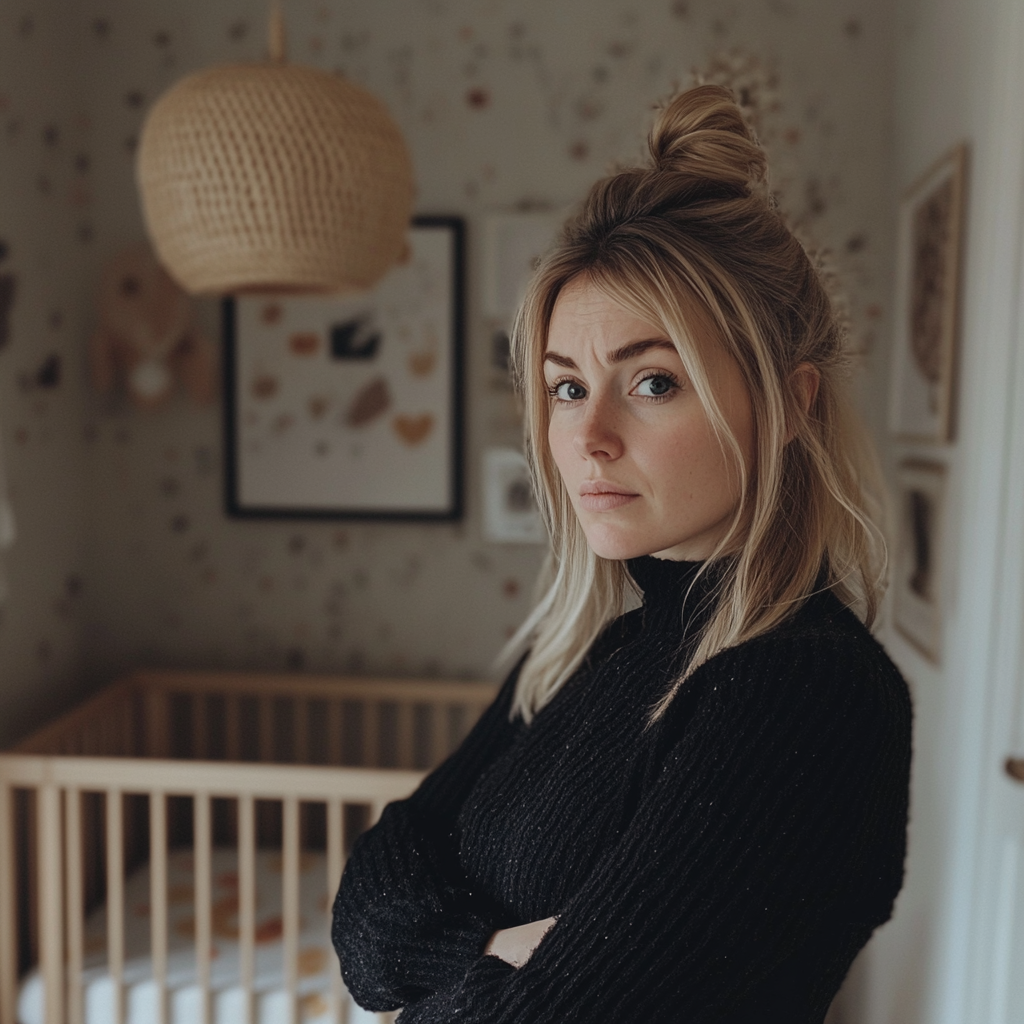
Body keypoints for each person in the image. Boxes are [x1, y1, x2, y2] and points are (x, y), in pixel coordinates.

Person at [332, 84, 912, 1024]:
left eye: (651, 381)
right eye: (565, 388)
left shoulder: (805, 695)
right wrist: (489, 950)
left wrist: (443, 967)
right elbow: (374, 893)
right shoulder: (592, 653)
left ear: (794, 403)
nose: (589, 436)